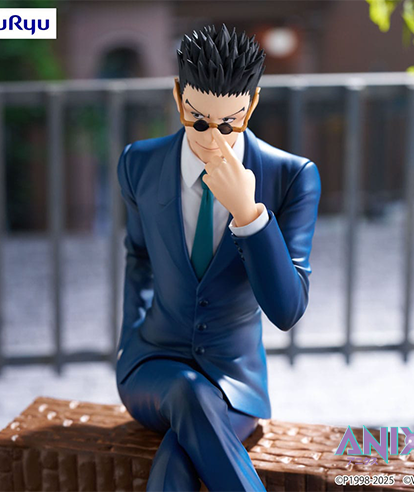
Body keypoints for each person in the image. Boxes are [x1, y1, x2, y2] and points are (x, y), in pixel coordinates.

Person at [115, 24, 321, 491]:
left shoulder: (291, 177)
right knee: (186, 391)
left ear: (251, 105)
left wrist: (249, 215)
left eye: (229, 124)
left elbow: (287, 310)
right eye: (199, 121)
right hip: (152, 367)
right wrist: (130, 337)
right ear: (178, 97)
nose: (212, 140)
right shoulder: (139, 164)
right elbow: (139, 257)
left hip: (235, 383)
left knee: (178, 453)